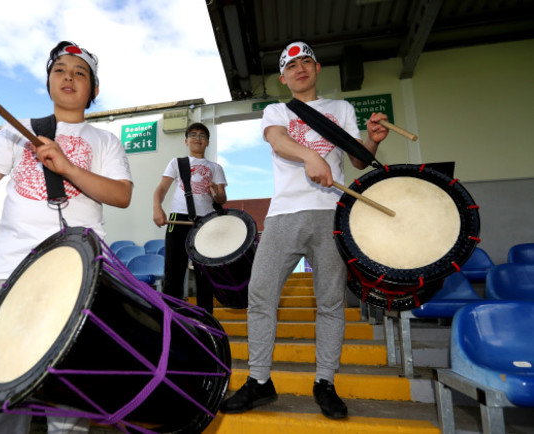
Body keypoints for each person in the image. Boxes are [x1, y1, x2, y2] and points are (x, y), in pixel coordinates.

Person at [0, 40, 133, 434]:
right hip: (10, 269)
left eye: (80, 72)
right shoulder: (20, 132)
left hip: (80, 273)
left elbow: (120, 195)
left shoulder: (105, 141)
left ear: (94, 91)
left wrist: (67, 167)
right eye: (60, 70)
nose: (69, 76)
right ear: (48, 82)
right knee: (0, 389)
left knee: (71, 390)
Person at [220, 40, 389, 419]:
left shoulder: (340, 109)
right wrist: (310, 155)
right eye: (291, 64)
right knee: (260, 295)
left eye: (306, 61)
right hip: (283, 214)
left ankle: (325, 382)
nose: (300, 68)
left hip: (331, 213)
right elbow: (279, 142)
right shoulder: (277, 110)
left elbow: (358, 160)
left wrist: (373, 141)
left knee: (330, 303)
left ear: (317, 69)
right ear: (283, 77)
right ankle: (259, 382)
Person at [152, 122, 227, 314]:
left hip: (207, 222)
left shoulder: (215, 167)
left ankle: (205, 321)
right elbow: (161, 189)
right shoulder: (177, 163)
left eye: (202, 136)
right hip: (178, 219)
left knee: (206, 275)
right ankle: (173, 320)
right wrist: (157, 208)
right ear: (186, 141)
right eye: (193, 135)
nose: (198, 138)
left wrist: (215, 192)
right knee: (174, 273)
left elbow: (222, 198)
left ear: (208, 142)